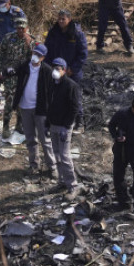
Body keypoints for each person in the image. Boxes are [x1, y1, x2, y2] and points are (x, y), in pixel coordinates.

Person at [37, 58, 83, 198]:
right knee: (56, 155)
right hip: (53, 124)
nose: (55, 71)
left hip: (64, 126)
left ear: (64, 70)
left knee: (64, 156)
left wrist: (67, 126)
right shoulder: (53, 84)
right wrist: (47, 124)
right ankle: (62, 182)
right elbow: (50, 105)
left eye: (58, 69)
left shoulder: (71, 86)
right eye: (54, 68)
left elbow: (74, 108)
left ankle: (73, 186)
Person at [12, 44, 56, 176]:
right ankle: (34, 164)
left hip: (40, 110)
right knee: (30, 139)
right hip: (25, 107)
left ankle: (52, 167)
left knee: (45, 140)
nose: (35, 56)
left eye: (38, 55)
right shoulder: (25, 66)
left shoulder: (47, 71)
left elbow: (52, 92)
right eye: (34, 53)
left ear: (43, 58)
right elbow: (13, 71)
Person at [0, 17, 36, 139]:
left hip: (23, 76)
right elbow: (0, 56)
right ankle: (6, 127)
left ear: (27, 28)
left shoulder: (31, 40)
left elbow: (33, 59)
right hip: (9, 75)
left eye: (22, 28)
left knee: (21, 101)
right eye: (18, 28)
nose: (20, 30)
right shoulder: (8, 38)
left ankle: (19, 124)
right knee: (9, 101)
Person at [44, 9, 89, 77]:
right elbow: (46, 49)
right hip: (55, 70)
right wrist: (49, 67)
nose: (60, 21)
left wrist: (73, 69)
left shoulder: (77, 34)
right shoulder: (53, 32)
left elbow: (83, 54)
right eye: (59, 19)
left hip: (71, 73)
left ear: (69, 19)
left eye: (63, 19)